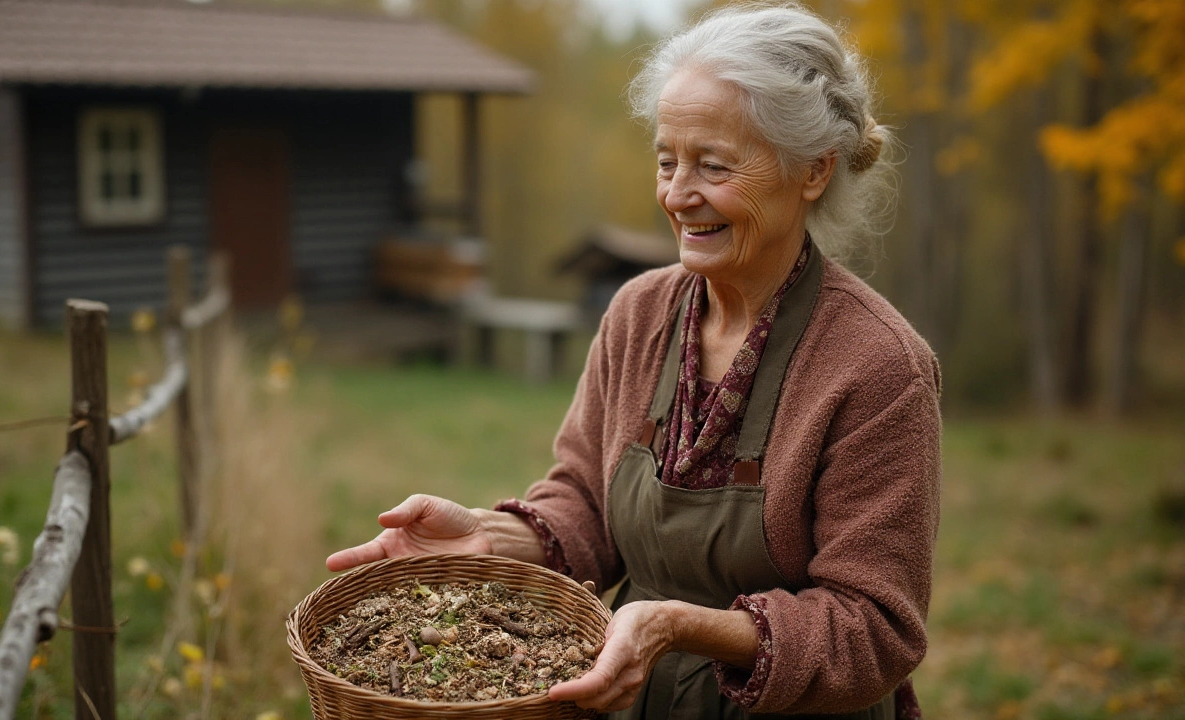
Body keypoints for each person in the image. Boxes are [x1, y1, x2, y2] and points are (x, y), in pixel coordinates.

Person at [326, 3, 941, 718]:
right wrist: (486, 535)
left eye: (713, 165)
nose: (678, 195)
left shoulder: (878, 368)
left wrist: (685, 626)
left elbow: (875, 630)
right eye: (666, 160)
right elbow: (587, 502)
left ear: (812, 171)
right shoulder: (639, 314)